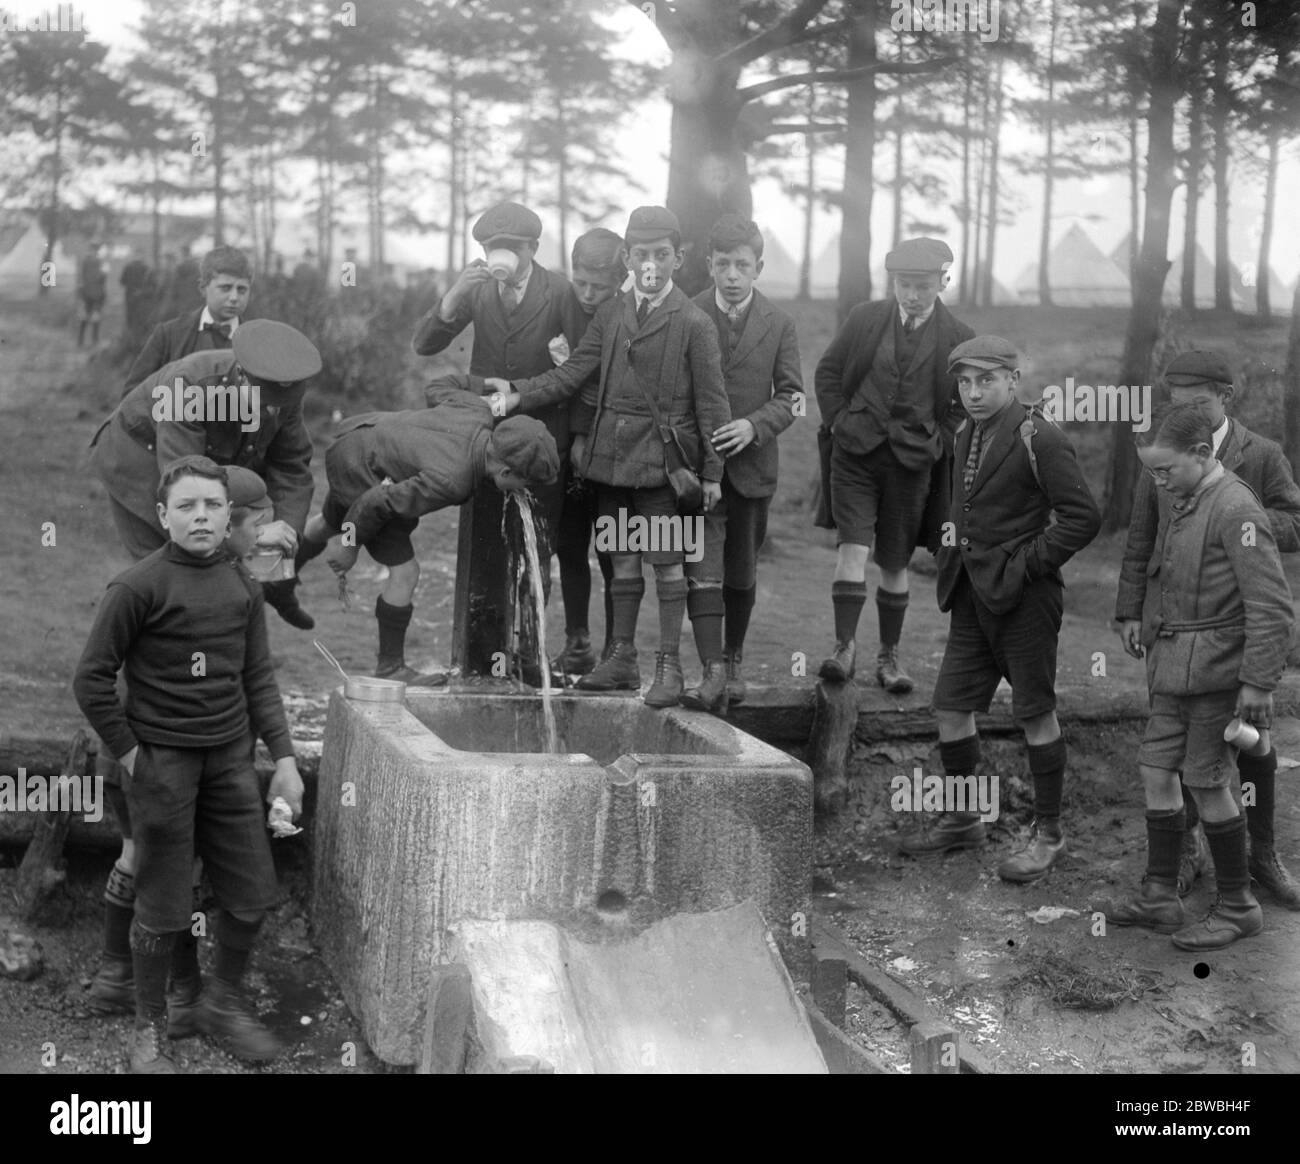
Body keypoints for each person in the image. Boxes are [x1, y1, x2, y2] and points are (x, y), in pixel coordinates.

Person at [73, 455, 306, 1072]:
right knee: (164, 904)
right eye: (186, 506)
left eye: (211, 506)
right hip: (161, 763)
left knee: (253, 893)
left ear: (229, 515)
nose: (200, 517)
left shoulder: (242, 587)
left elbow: (258, 678)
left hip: (229, 758)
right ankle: (150, 1027)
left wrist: (282, 760)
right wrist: (130, 754)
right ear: (162, 516)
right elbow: (91, 679)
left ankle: (219, 1005)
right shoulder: (138, 587)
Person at [488, 206, 731, 708]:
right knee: (621, 560)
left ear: (679, 258)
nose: (650, 266)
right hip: (612, 466)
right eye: (641, 254)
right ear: (627, 257)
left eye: (661, 255)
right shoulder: (612, 315)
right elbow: (572, 373)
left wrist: (712, 473)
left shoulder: (694, 323)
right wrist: (515, 395)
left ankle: (669, 667)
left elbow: (713, 405)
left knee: (665, 565)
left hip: (665, 471)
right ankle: (621, 658)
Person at [899, 336, 1101, 881]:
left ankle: (1049, 835)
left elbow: (1083, 516)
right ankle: (964, 818)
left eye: (986, 381)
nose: (973, 393)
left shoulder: (1041, 437)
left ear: (1014, 380)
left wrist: (1028, 563)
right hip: (971, 595)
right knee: (950, 706)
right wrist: (950, 551)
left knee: (1034, 712)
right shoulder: (966, 432)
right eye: (964, 382)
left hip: (1026, 600)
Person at [1102, 404, 1293, 949]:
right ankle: (1160, 894)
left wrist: (1257, 684)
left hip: (1215, 677)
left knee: (1208, 783)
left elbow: (1273, 608)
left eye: (1165, 470)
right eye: (1150, 472)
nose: (1157, 481)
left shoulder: (1236, 509)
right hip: (1170, 672)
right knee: (1156, 771)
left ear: (1203, 454)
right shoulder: (1180, 495)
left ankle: (1238, 905)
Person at [412, 201, 585, 684]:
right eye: (492, 248)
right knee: (485, 541)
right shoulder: (479, 288)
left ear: (533, 248)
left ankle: (531, 652)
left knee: (536, 548)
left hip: (540, 433)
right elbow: (424, 345)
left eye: (512, 249)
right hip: (487, 436)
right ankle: (480, 655)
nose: (502, 257)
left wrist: (544, 408)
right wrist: (452, 299)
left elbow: (578, 368)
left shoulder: (559, 292)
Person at [293, 378, 561, 682]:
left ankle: (281, 577)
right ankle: (390, 667)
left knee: (327, 522)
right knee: (406, 572)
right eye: (523, 485)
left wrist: (484, 382)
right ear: (506, 472)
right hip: (364, 472)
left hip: (358, 439)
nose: (523, 492)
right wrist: (350, 545)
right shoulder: (452, 481)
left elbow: (436, 387)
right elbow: (376, 501)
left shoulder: (478, 410)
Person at [813, 238, 975, 693]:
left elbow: (964, 401)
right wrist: (841, 421)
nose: (913, 295)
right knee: (852, 549)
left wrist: (940, 440)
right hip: (855, 454)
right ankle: (844, 648)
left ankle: (889, 657)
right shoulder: (865, 319)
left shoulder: (958, 336)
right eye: (905, 285)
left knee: (894, 561)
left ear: (943, 282)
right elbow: (827, 373)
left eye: (923, 286)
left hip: (912, 463)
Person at [89, 318, 319, 630]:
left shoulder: (281, 393)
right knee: (172, 572)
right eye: (263, 402)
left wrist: (282, 542)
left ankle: (271, 595)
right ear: (241, 376)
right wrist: (254, 536)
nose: (270, 412)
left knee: (223, 561)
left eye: (278, 405)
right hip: (140, 459)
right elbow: (185, 484)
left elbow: (292, 468)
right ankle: (150, 668)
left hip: (210, 463)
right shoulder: (189, 385)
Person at [680, 214, 801, 713]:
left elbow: (792, 396)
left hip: (752, 470)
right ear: (709, 264)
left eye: (742, 265)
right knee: (700, 567)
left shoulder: (780, 323)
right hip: (698, 470)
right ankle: (709, 670)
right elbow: (674, 392)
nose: (732, 275)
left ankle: (733, 658)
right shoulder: (686, 314)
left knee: (741, 572)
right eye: (723, 263)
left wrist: (754, 425)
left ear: (759, 268)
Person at [553, 227, 624, 673]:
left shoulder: (628, 312)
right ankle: (577, 642)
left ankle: (618, 649)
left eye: (599, 287)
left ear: (620, 282)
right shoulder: (563, 300)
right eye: (581, 282)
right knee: (569, 545)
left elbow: (605, 380)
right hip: (568, 452)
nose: (588, 293)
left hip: (617, 451)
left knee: (615, 550)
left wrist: (583, 431)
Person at [123, 245, 253, 392]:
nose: (234, 298)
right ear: (203, 288)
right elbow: (133, 397)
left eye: (242, 289)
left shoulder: (258, 342)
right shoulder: (168, 336)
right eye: (225, 288)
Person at [119, 249, 157, 348]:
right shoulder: (147, 269)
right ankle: (139, 345)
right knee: (141, 322)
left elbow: (122, 281)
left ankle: (130, 343)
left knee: (130, 322)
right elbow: (152, 287)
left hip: (130, 299)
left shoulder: (128, 267)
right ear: (142, 256)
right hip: (142, 301)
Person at [78, 242, 108, 348]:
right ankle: (91, 340)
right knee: (92, 317)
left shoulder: (86, 262)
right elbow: (103, 278)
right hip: (93, 294)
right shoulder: (99, 263)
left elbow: (82, 279)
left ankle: (83, 340)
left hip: (90, 293)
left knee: (89, 317)